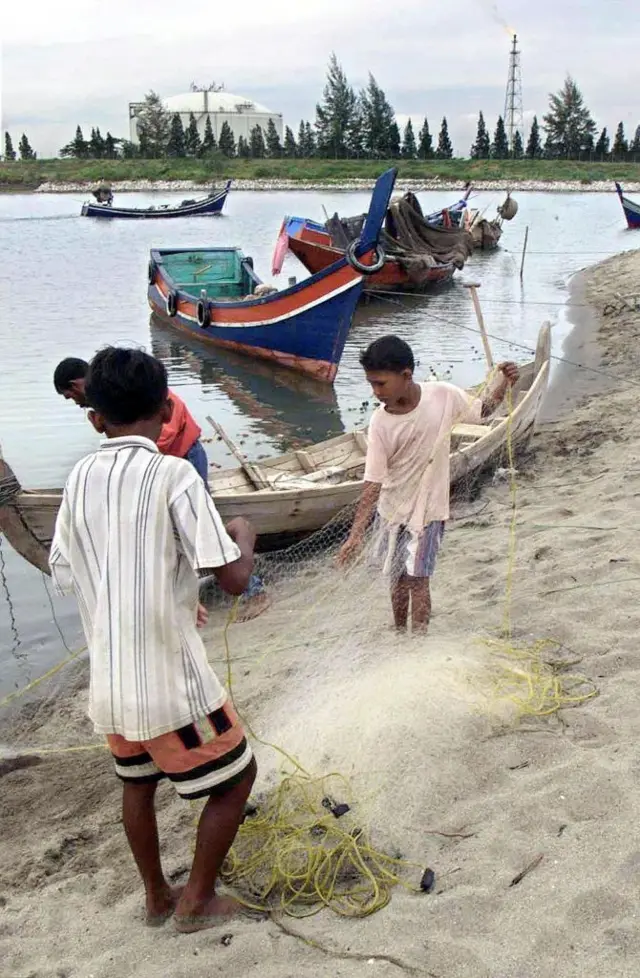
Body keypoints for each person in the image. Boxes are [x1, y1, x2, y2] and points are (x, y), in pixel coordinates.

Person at [50, 347, 257, 933]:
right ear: (167, 409)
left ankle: (155, 897)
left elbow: (63, 569)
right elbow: (235, 579)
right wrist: (244, 530)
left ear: (95, 417)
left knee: (136, 785)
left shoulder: (78, 478)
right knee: (237, 777)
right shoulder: (175, 474)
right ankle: (196, 899)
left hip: (110, 684)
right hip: (170, 682)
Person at [53, 356, 269, 621]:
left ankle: (254, 590)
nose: (73, 401)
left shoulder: (137, 389)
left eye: (70, 395)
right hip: (162, 467)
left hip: (183, 456)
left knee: (202, 528)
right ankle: (184, 594)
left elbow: (158, 439)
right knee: (175, 531)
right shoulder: (123, 394)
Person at [338, 335, 519, 633]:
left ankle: (418, 637)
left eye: (380, 384)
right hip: (391, 513)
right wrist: (356, 535)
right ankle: (399, 632)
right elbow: (373, 482)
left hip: (429, 512)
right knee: (396, 578)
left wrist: (504, 384)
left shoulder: (444, 396)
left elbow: (482, 411)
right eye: (371, 384)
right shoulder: (380, 423)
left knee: (419, 580)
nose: (375, 392)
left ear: (406, 375)